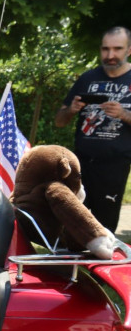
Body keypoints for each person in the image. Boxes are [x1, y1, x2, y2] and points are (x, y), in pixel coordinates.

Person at [55, 26, 131, 233]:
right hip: (81, 165)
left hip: (114, 166)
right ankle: (72, 265)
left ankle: (100, 265)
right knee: (74, 224)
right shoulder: (88, 78)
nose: (110, 55)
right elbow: (59, 121)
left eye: (117, 49)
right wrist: (71, 110)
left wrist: (124, 114)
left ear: (129, 50)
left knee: (103, 229)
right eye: (105, 49)